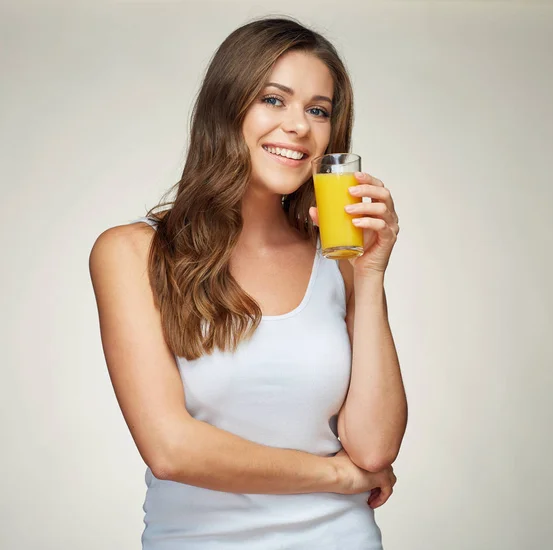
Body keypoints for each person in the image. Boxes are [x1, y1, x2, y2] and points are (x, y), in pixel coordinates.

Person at [89, 16, 407, 549]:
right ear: (226, 107)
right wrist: (338, 477)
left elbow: (374, 450)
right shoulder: (131, 253)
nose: (299, 127)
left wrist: (371, 274)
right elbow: (171, 450)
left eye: (318, 110)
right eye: (274, 100)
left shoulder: (340, 260)